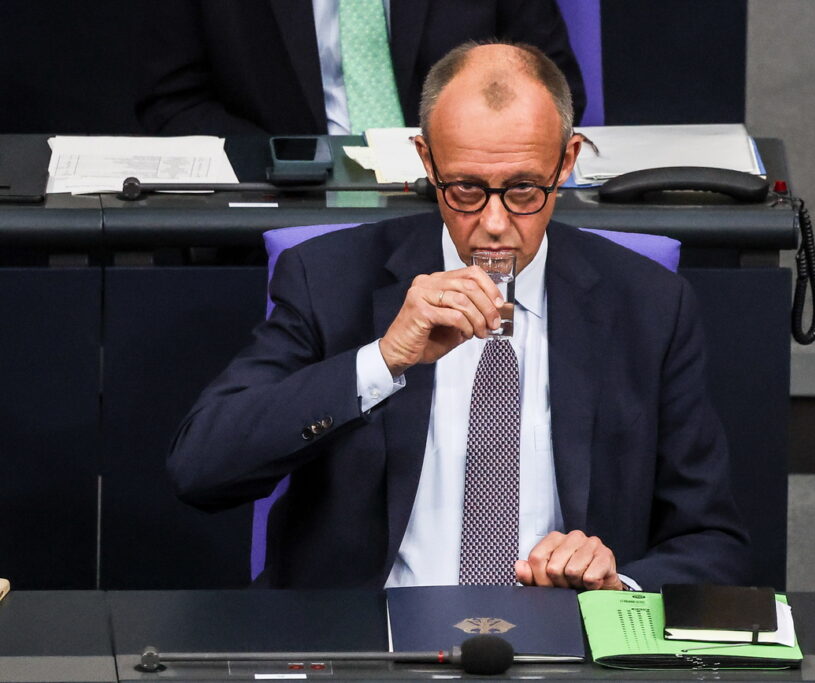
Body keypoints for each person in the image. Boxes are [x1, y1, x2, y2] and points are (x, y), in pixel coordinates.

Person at [168, 41, 751, 591]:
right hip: (371, 636)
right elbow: (200, 468)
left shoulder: (650, 304)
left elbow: (711, 540)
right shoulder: (329, 280)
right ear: (427, 160)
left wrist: (616, 586)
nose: (494, 224)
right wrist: (382, 360)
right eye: (467, 189)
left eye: (524, 190)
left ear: (566, 162)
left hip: (562, 636)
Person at [135, 0, 587, 135]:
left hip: (459, 208)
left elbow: (553, 87)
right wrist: (285, 166)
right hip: (277, 221)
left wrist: (463, 165)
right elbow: (173, 103)